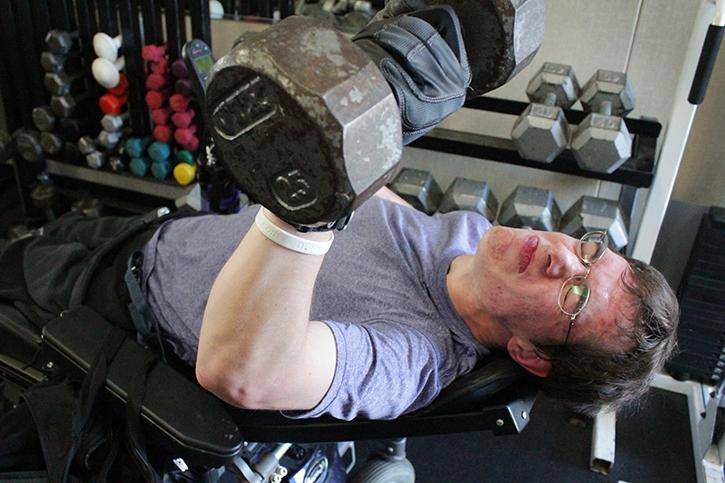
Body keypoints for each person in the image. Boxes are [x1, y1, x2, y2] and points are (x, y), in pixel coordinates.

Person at [0, 6, 678, 422]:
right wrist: (385, 92)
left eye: (573, 294)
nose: (564, 255)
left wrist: (309, 205)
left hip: (111, 301)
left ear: (528, 352)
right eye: (588, 253)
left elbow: (242, 372)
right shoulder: (473, 244)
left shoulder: (411, 361)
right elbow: (377, 201)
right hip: (157, 236)